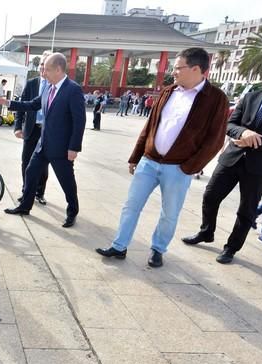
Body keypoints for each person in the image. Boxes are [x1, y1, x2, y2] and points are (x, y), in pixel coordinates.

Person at [96, 48, 229, 267]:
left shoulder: (216, 99)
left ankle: (158, 249)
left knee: (170, 213)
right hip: (149, 161)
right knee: (131, 206)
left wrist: (189, 167)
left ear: (196, 69)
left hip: (178, 168)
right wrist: (136, 156)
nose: (173, 72)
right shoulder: (169, 91)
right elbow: (150, 127)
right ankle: (119, 246)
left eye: (178, 68)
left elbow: (215, 140)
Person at [182, 55, 262, 264]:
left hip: (261, 166)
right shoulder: (251, 97)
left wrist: (257, 141)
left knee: (246, 210)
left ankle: (231, 248)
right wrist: (244, 133)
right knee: (210, 196)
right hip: (232, 158)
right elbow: (230, 124)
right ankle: (206, 232)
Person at [0, 53, 85, 228]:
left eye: (48, 70)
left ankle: (72, 211)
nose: (44, 73)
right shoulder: (48, 88)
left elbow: (79, 121)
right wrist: (8, 103)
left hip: (61, 148)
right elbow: (32, 104)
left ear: (59, 69)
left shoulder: (72, 90)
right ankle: (25, 206)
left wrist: (74, 147)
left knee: (66, 181)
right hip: (43, 144)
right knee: (30, 172)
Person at [13, 52, 50, 205]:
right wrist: (17, 127)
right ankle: (26, 191)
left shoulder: (55, 86)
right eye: (41, 64)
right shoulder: (32, 83)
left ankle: (39, 193)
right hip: (31, 129)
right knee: (26, 162)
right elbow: (22, 106)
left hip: (47, 132)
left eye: (46, 65)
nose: (43, 68)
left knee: (43, 165)